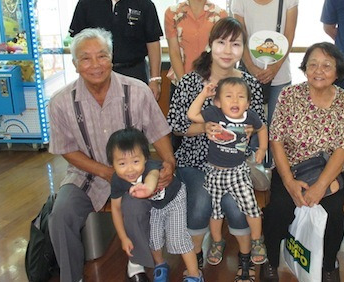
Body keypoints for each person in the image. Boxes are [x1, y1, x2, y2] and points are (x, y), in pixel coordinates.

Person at [48, 28, 175, 282]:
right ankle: (71, 278)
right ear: (75, 64)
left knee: (136, 206)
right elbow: (66, 148)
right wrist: (104, 171)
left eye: (102, 56)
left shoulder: (137, 91)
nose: (95, 65)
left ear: (112, 57)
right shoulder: (60, 102)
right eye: (86, 58)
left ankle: (136, 264)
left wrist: (169, 163)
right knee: (60, 215)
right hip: (87, 175)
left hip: (134, 174)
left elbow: (158, 132)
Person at [167, 17, 266, 282]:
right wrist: (206, 128)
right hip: (194, 159)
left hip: (234, 161)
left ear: (242, 48)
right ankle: (194, 260)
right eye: (221, 42)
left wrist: (250, 132)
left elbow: (258, 124)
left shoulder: (250, 83)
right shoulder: (189, 82)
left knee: (236, 205)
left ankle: (245, 260)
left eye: (235, 44)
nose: (226, 50)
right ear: (210, 45)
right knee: (200, 200)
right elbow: (176, 125)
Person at [260, 42, 344, 282]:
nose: (318, 70)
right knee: (278, 209)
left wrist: (321, 186)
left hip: (327, 171)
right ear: (304, 68)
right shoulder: (290, 95)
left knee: (333, 213)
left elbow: (343, 148)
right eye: (312, 64)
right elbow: (277, 139)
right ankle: (271, 260)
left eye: (326, 65)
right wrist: (289, 182)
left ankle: (328, 264)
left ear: (338, 71)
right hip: (289, 168)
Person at [187, 77, 268, 266]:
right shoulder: (214, 114)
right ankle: (216, 242)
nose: (234, 101)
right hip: (214, 172)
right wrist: (204, 94)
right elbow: (192, 114)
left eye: (241, 97)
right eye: (229, 96)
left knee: (251, 207)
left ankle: (257, 241)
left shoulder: (250, 117)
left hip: (238, 172)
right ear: (218, 102)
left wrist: (262, 148)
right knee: (215, 213)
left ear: (248, 103)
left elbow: (262, 128)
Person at [231, 0, 298, 166]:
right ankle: (249, 174)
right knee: (248, 126)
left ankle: (274, 177)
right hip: (248, 75)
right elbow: (239, 38)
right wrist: (253, 69)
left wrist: (274, 68)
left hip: (280, 76)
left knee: (277, 130)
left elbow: (288, 36)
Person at [107, 128, 203, 282]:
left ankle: (194, 275)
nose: (130, 169)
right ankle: (160, 266)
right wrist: (123, 237)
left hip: (174, 200)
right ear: (112, 164)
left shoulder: (151, 167)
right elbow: (116, 209)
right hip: (155, 206)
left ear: (146, 158)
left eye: (136, 161)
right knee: (153, 239)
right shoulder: (117, 181)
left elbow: (153, 177)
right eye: (122, 163)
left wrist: (148, 189)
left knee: (178, 238)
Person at [69, 0, 163, 100]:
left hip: (135, 72)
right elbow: (77, 43)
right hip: (97, 74)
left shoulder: (144, 4)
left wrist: (155, 79)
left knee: (137, 119)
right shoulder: (86, 3)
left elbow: (153, 42)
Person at [164, 0, 228, 87]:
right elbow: (174, 51)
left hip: (212, 83)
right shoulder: (173, 13)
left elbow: (222, 52)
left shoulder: (220, 15)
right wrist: (185, 84)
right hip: (181, 81)